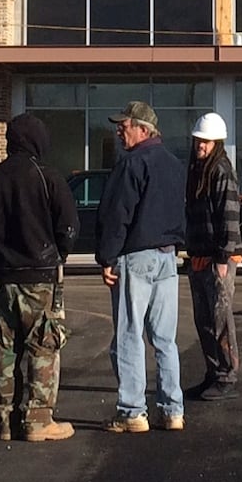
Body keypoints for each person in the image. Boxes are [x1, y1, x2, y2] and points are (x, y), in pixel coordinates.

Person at [0, 113, 78, 444]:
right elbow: (69, 225)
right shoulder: (47, 176)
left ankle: (4, 420)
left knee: (4, 349)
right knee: (42, 345)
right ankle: (38, 419)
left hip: (1, 278)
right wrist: (58, 253)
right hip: (39, 276)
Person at [96, 100, 187, 433]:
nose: (120, 132)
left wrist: (107, 257)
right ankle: (172, 409)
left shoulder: (132, 163)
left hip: (136, 257)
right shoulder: (175, 164)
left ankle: (132, 411)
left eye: (124, 126)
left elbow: (118, 213)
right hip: (167, 257)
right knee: (165, 339)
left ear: (143, 129)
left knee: (130, 335)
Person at [185, 112, 241, 401]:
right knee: (204, 320)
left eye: (205, 142)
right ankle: (212, 373)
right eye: (198, 141)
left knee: (220, 319)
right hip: (198, 257)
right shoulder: (197, 170)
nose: (200, 146)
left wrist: (223, 257)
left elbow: (229, 217)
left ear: (216, 142)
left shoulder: (221, 171)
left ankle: (227, 375)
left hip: (217, 259)